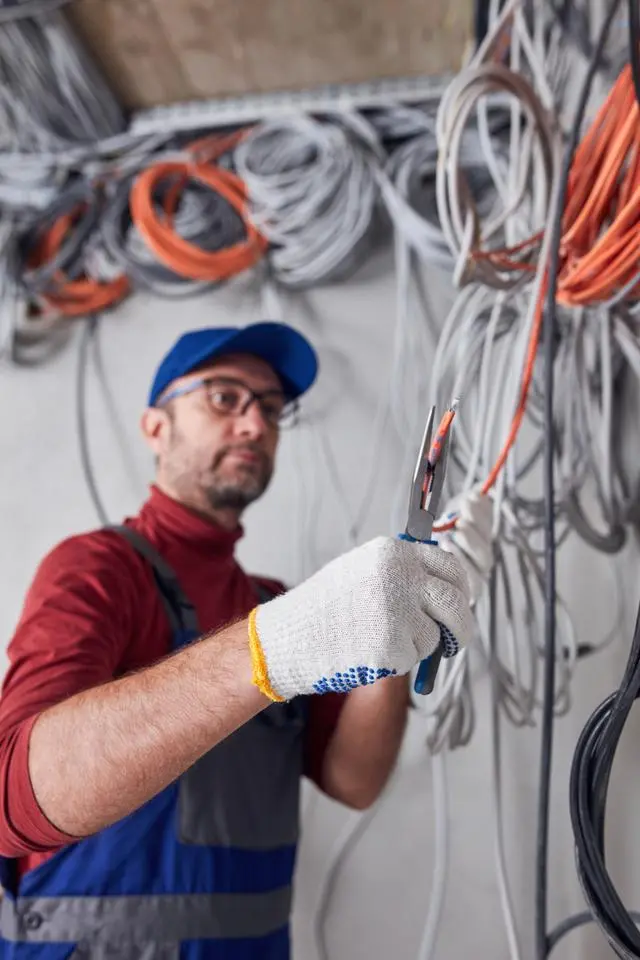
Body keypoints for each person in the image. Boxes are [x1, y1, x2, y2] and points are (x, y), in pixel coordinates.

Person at [0, 321, 493, 959]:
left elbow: (353, 779)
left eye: (269, 407)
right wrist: (272, 649)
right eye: (223, 397)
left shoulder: (272, 601)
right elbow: (13, 794)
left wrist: (402, 626)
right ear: (156, 427)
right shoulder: (97, 570)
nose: (255, 425)